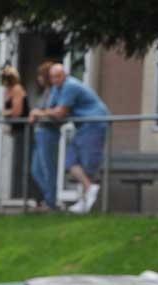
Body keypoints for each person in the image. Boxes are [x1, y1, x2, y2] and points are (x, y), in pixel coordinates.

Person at [30, 63, 109, 214]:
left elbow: (59, 112)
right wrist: (42, 112)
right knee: (70, 162)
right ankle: (88, 190)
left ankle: (86, 197)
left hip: (94, 123)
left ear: (64, 75)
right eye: (52, 77)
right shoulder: (56, 89)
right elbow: (51, 108)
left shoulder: (70, 86)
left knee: (87, 163)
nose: (55, 80)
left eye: (58, 76)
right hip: (82, 125)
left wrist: (38, 113)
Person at [30, 61, 60, 211]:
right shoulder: (45, 92)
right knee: (36, 169)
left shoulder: (54, 91)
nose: (39, 79)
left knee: (48, 168)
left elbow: (52, 112)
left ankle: (51, 202)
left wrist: (37, 114)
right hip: (39, 132)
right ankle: (49, 198)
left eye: (41, 75)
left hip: (48, 132)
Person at [0, 66, 30, 199]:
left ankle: (24, 195)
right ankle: (17, 194)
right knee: (16, 163)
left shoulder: (17, 89)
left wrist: (4, 113)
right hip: (15, 130)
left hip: (23, 131)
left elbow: (17, 112)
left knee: (22, 162)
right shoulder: (7, 91)